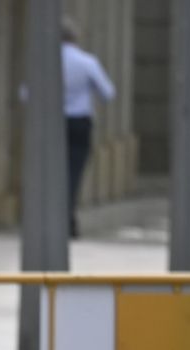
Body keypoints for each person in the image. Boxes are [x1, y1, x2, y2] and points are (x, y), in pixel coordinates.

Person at [61, 17, 114, 238]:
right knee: (73, 172)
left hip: (52, 123)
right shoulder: (86, 62)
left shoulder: (43, 62)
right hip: (79, 121)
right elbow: (108, 93)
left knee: (51, 172)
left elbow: (26, 94)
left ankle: (57, 216)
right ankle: (67, 218)